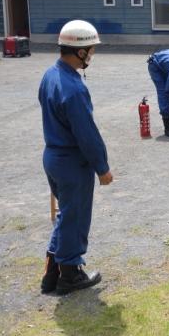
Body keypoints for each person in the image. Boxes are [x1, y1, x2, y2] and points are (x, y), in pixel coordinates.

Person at [39, 20, 113, 295]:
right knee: (76, 217)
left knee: (65, 214)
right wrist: (102, 168)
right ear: (80, 51)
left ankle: (52, 274)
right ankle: (70, 274)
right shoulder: (73, 87)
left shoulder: (50, 75)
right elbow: (87, 134)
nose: (92, 54)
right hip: (72, 161)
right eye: (91, 50)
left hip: (53, 156)